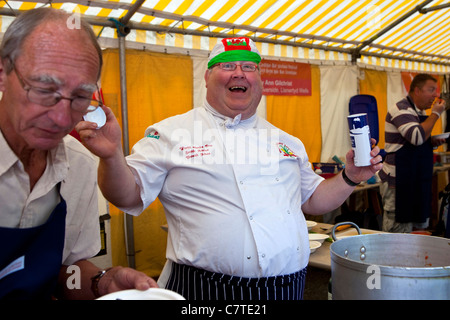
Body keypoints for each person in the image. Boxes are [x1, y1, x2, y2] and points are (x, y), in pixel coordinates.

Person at [77, 37, 382, 300]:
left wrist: (349, 176)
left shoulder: (287, 140)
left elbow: (314, 199)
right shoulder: (170, 132)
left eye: (249, 67)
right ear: (207, 77)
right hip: (206, 288)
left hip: (288, 286)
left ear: (259, 79)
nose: (240, 73)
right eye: (228, 65)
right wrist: (111, 157)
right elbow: (127, 196)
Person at [0, 8, 157, 300]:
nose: (62, 119)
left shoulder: (78, 164)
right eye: (45, 89)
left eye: (81, 97)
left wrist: (101, 283)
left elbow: (66, 270)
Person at [379, 74, 446, 233]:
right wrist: (435, 114)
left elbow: (418, 140)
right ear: (417, 90)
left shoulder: (418, 112)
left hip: (416, 181)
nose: (435, 95)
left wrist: (431, 142)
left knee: (417, 235)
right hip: (399, 184)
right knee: (398, 237)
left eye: (435, 90)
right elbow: (416, 137)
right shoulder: (402, 109)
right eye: (431, 90)